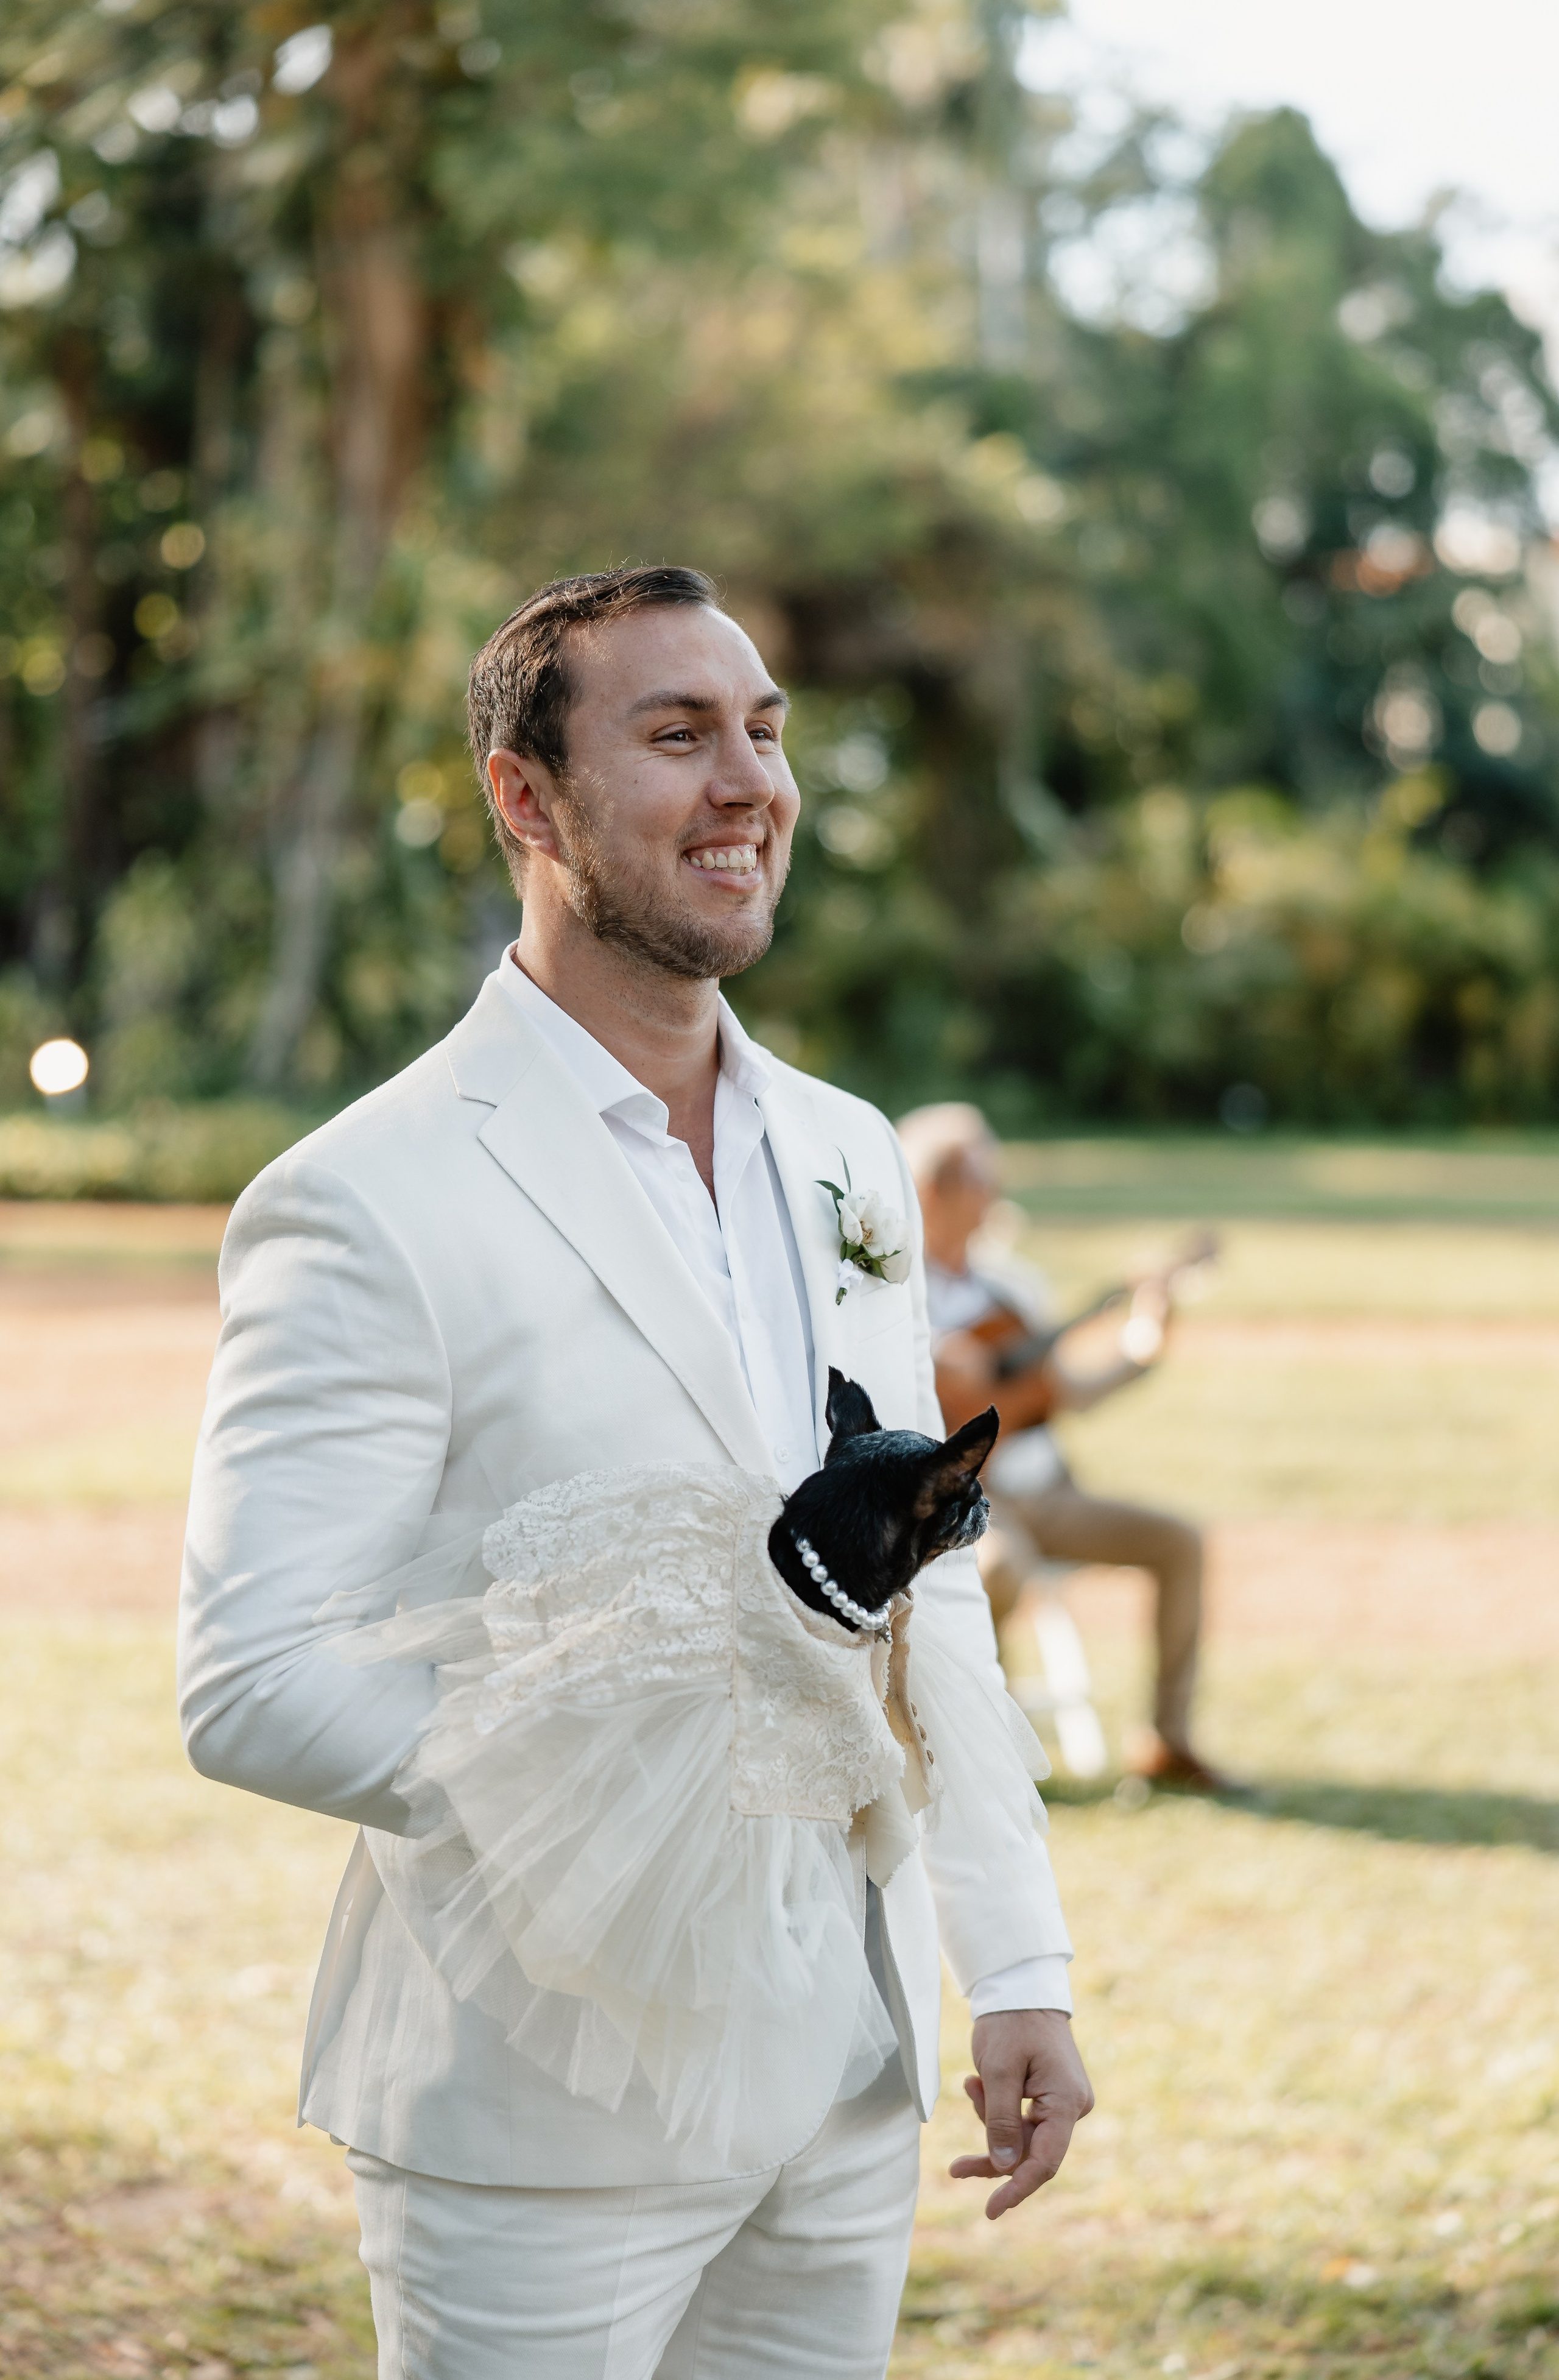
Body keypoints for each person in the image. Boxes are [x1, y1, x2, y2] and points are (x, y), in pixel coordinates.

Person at [178, 567, 1092, 2380]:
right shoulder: (367, 1196)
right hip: (539, 2103)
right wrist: (667, 1715)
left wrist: (1020, 1968)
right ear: (528, 800)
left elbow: (925, 1593)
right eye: (676, 735)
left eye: (762, 731)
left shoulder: (849, 1156)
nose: (747, 780)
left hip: (848, 2073)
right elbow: (252, 1686)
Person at [896, 1101, 1234, 1795]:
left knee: (1181, 1541)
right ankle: (974, 1746)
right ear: (935, 1190)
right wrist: (935, 1358)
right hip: (964, 1504)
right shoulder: (896, 1288)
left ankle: (1165, 1741)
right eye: (980, 1177)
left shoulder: (1011, 1288)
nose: (995, 1193)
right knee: (997, 1567)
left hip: (1047, 1491)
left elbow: (1068, 1391)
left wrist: (1148, 1331)